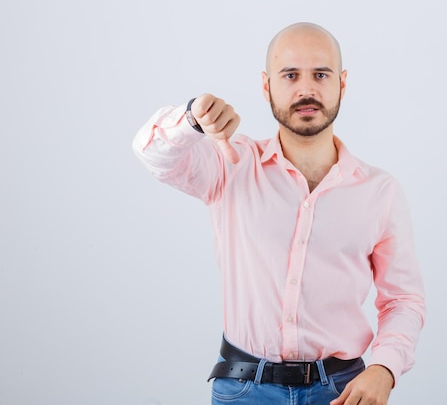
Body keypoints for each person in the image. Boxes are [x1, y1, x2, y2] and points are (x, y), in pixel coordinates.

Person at [132, 22, 426, 405]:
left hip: (343, 391)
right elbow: (152, 154)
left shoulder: (380, 192)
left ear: (342, 83)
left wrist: (384, 369)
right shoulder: (230, 163)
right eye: (290, 75)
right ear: (267, 85)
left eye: (321, 74)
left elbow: (403, 300)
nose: (306, 89)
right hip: (243, 390)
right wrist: (192, 118)